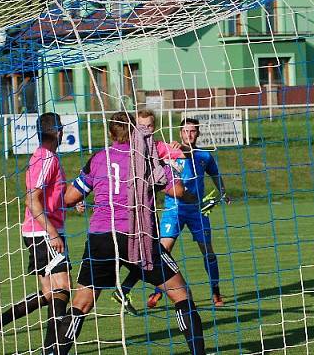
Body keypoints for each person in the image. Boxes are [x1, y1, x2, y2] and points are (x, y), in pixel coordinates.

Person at [50, 112, 206, 355]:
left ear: (111, 133)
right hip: (138, 236)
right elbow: (176, 189)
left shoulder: (98, 158)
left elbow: (69, 199)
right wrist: (189, 195)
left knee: (81, 303)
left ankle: (53, 353)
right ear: (135, 132)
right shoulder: (145, 158)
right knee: (181, 294)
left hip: (101, 237)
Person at [0, 113, 74, 354]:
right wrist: (52, 233)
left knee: (50, 292)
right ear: (59, 131)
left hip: (39, 230)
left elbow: (47, 196)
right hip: (43, 232)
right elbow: (32, 199)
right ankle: (51, 349)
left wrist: (68, 202)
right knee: (62, 288)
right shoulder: (47, 158)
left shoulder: (43, 157)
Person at [142, 117, 227, 309]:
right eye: (185, 131)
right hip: (174, 210)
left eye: (193, 131)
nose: (189, 135)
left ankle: (215, 291)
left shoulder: (204, 156)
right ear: (180, 133)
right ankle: (158, 292)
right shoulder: (170, 153)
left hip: (197, 210)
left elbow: (215, 174)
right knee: (163, 252)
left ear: (198, 133)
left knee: (208, 252)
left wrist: (222, 190)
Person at [112, 109, 184, 315]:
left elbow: (182, 155)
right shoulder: (128, 150)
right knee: (154, 256)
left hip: (149, 215)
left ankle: (124, 289)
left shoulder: (158, 146)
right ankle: (129, 289)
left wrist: (179, 149)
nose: (146, 129)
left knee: (151, 256)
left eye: (150, 126)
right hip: (132, 220)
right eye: (141, 125)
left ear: (155, 127)